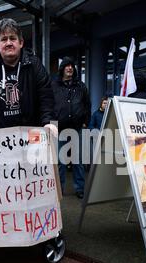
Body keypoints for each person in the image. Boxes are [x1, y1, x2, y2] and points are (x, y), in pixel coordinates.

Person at [0, 18, 56, 136]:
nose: (8, 43)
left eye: (12, 38)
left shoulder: (34, 65)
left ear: (21, 42)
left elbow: (46, 96)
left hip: (30, 136)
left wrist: (48, 122)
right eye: (4, 39)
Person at [51, 56, 91, 199]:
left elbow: (87, 104)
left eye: (72, 66)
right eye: (67, 65)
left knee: (78, 160)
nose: (70, 68)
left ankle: (79, 188)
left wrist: (86, 121)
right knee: (60, 162)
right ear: (62, 69)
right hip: (60, 129)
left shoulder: (80, 86)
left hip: (77, 128)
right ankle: (59, 189)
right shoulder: (54, 86)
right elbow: (49, 105)